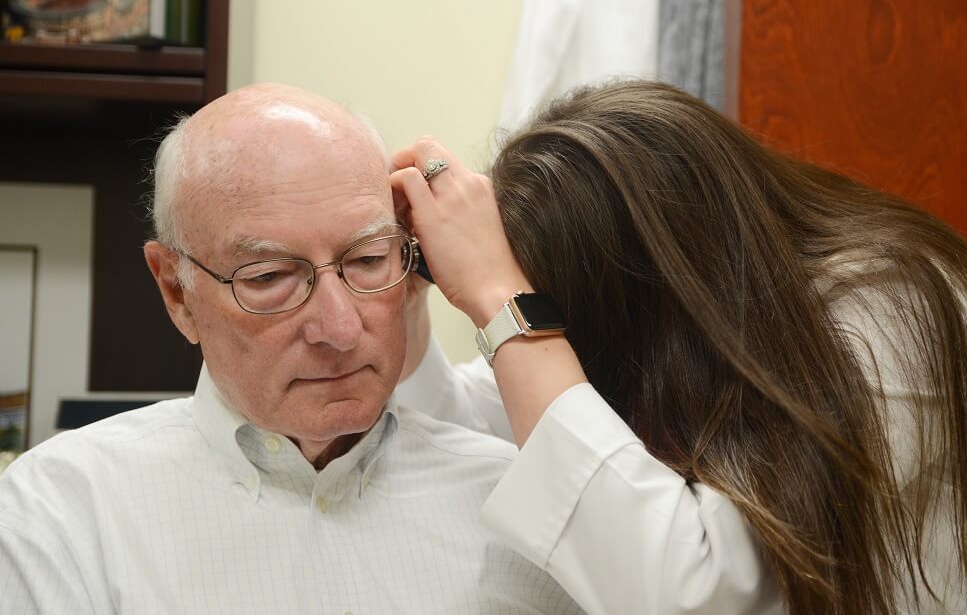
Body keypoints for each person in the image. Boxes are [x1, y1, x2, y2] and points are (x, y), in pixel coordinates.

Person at [390, 80, 967, 615]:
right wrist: (409, 300)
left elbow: (697, 591)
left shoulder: (895, 310)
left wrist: (502, 298)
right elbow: (480, 434)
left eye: (547, 310)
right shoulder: (665, 344)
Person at [0, 83, 585, 614]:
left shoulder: (519, 507)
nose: (340, 328)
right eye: (269, 276)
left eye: (368, 260)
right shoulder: (65, 514)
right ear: (177, 292)